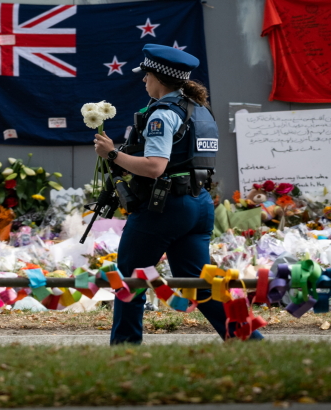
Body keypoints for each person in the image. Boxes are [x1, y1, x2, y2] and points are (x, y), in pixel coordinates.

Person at [93, 44, 263, 344]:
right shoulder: (200, 110)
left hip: (164, 208)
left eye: (146, 75)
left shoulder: (162, 115)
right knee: (199, 283)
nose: (143, 80)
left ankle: (124, 350)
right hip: (199, 205)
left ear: (159, 77)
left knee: (130, 278)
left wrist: (112, 154)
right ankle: (248, 339)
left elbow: (155, 167)